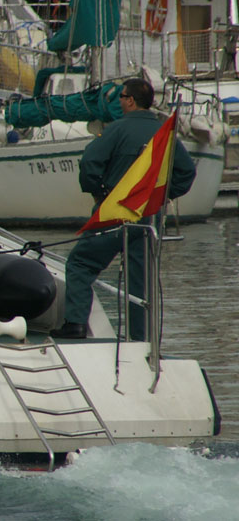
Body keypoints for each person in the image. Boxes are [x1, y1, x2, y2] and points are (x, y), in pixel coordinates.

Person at [51, 78, 196, 340]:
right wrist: (158, 196)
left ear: (130, 100)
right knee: (140, 283)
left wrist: (100, 191)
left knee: (80, 263)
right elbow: (186, 173)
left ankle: (75, 325)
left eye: (121, 96)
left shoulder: (116, 130)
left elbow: (89, 163)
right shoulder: (164, 132)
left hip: (115, 213)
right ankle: (140, 341)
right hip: (147, 220)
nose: (118, 101)